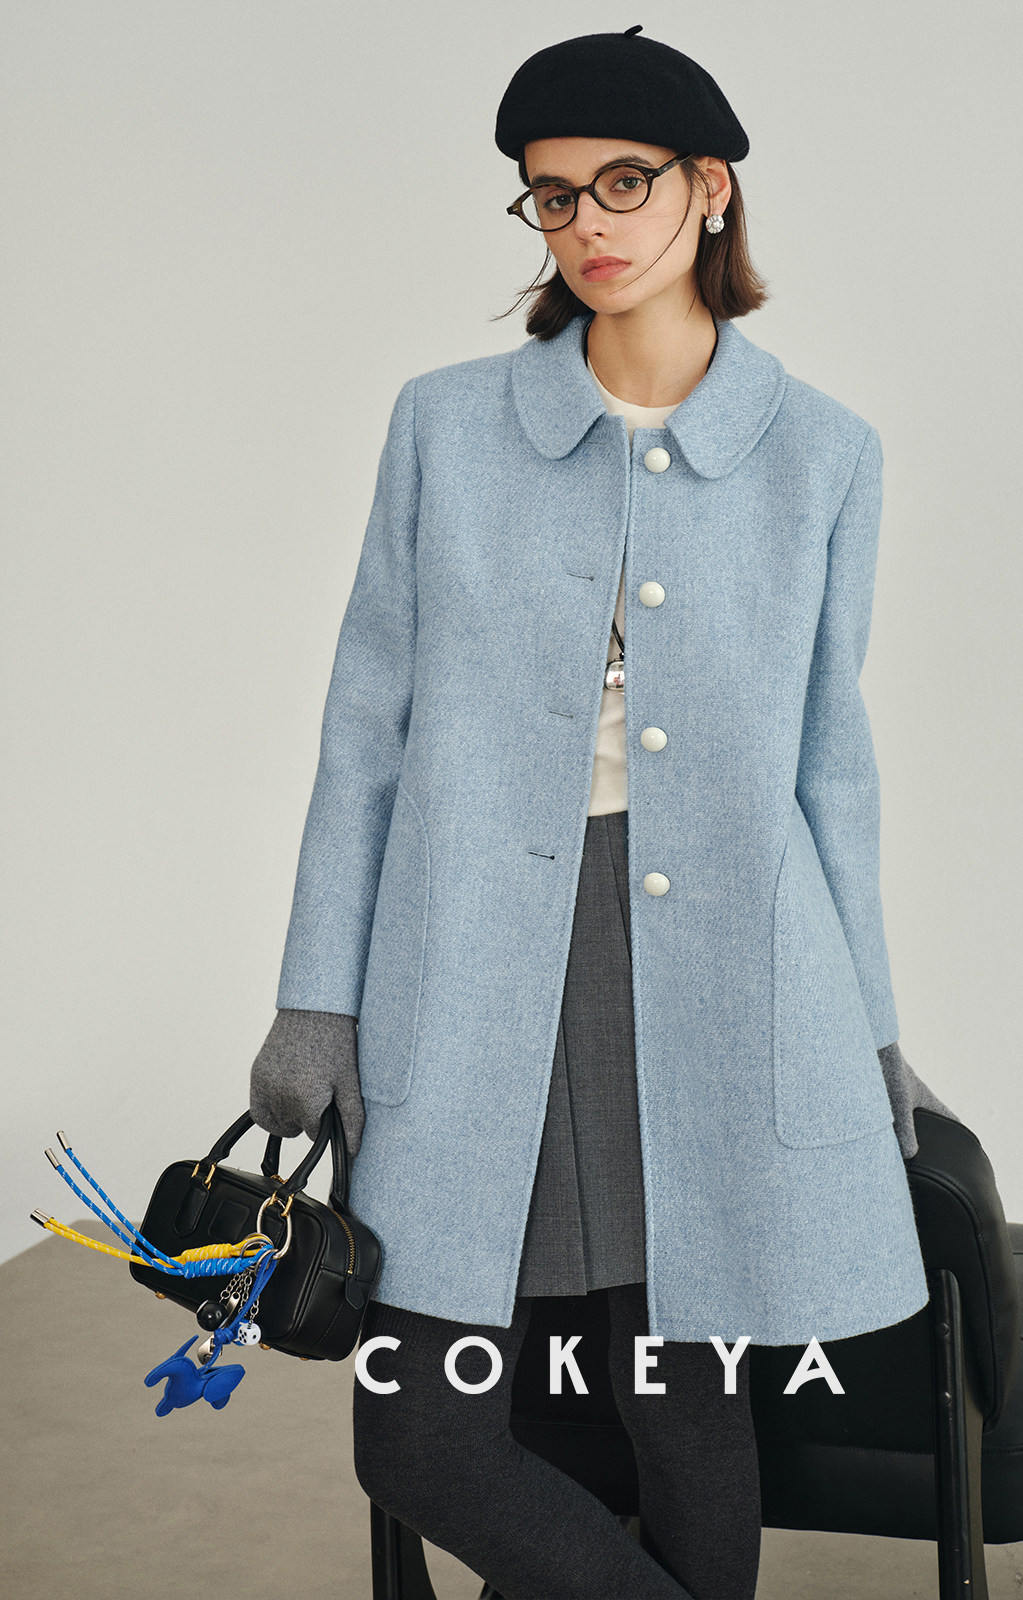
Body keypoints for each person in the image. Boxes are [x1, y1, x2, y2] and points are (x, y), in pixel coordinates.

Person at [249, 25, 960, 1600]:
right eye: (553, 195)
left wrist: (871, 1029)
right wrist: (317, 998)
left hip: (723, 966)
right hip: (475, 953)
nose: (587, 224)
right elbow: (365, 731)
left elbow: (831, 767)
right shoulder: (444, 428)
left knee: (674, 1392)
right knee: (420, 1430)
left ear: (712, 190)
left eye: (623, 183)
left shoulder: (826, 457)